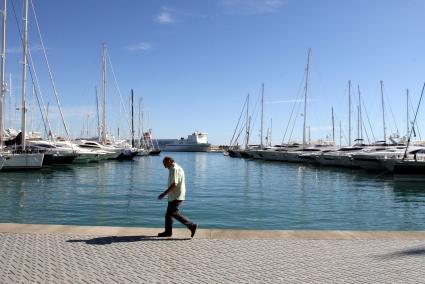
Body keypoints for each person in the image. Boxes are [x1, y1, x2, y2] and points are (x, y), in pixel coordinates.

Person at [158, 156, 198, 238]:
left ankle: (192, 225)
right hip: (175, 195)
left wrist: (164, 193)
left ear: (169, 161)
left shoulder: (174, 169)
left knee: (174, 213)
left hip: (176, 195)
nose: (164, 165)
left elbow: (174, 184)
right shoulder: (176, 167)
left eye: (165, 163)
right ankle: (168, 232)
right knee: (168, 215)